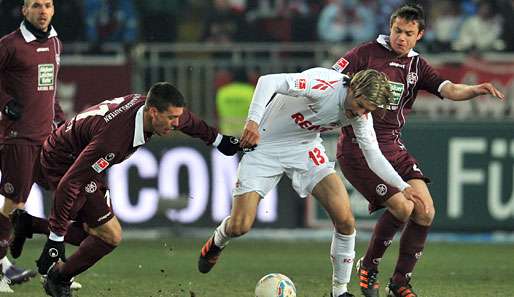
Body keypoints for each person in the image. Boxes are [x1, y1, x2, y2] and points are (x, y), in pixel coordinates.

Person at [197, 68, 425, 297]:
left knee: (345, 219)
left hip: (305, 148)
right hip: (265, 146)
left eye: (368, 109)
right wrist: (253, 122)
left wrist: (403, 186)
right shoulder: (323, 84)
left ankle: (340, 291)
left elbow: (373, 155)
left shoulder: (361, 115)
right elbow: (268, 81)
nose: (361, 113)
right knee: (240, 226)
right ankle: (218, 240)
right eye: (361, 105)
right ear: (353, 88)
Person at [330, 4, 505, 297]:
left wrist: (475, 89)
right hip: (359, 146)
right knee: (402, 206)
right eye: (397, 30)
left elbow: (447, 88)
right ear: (391, 27)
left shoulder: (416, 66)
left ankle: (399, 283)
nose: (401, 38)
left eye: (408, 33)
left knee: (424, 211)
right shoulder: (365, 52)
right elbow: (332, 78)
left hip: (393, 145)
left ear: (419, 35)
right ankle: (369, 267)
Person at [18, 82, 243, 297]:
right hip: (62, 162)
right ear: (153, 112)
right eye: (171, 118)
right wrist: (55, 239)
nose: (176, 124)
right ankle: (58, 278)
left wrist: (218, 140)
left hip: (80, 156)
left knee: (93, 234)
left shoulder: (151, 108)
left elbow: (188, 121)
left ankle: (30, 224)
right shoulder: (114, 139)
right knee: (109, 235)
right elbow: (70, 182)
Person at [0, 0, 65, 292]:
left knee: (60, 194)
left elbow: (49, 88)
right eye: (36, 5)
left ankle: (52, 266)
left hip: (45, 137)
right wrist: (5, 103)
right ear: (24, 10)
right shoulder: (9, 45)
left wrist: (60, 120)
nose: (43, 11)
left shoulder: (54, 42)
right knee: (14, 201)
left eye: (48, 5)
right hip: (18, 136)